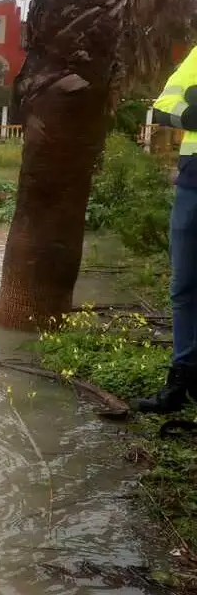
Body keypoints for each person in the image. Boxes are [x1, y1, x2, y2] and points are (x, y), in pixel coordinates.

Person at [135, 43, 197, 413]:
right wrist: (190, 112)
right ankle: (182, 378)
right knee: (184, 285)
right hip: (192, 184)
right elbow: (163, 105)